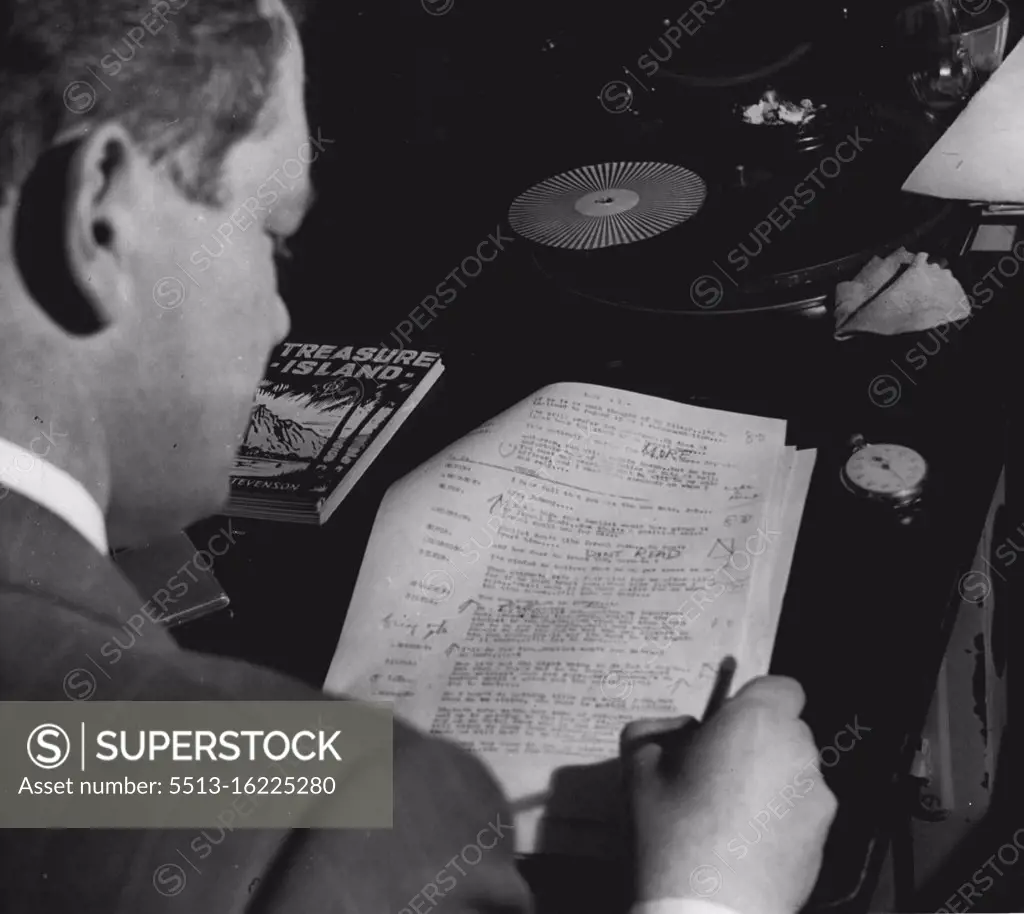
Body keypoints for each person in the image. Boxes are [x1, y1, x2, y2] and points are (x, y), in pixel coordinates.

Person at [0, 1, 837, 911]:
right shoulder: (327, 821)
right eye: (274, 236)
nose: (281, 317)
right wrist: (714, 891)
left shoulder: (64, 753)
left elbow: (44, 766)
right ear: (100, 222)